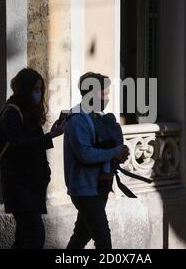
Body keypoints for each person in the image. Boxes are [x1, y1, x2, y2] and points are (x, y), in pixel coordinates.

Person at [0, 68, 66, 249]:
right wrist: (49, 136)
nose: (38, 94)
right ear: (25, 89)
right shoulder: (11, 113)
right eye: (35, 89)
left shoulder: (28, 112)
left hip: (32, 185)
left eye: (40, 90)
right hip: (19, 186)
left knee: (23, 240)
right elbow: (18, 146)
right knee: (36, 236)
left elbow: (31, 146)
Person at [63, 72, 130, 249]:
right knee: (103, 239)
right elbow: (85, 154)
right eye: (104, 93)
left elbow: (103, 149)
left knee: (81, 236)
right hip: (84, 188)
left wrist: (120, 155)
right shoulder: (77, 118)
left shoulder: (96, 116)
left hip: (98, 186)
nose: (107, 98)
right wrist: (115, 152)